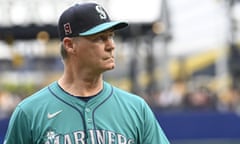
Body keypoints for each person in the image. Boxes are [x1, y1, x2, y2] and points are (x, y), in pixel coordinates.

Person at [4, 2, 170, 144]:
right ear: (69, 45)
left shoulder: (136, 108)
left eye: (111, 36)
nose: (111, 45)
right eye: (99, 38)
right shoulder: (30, 112)